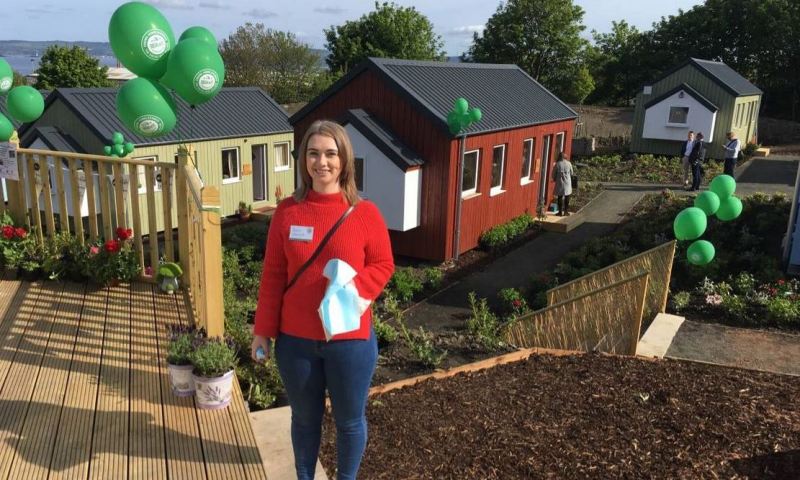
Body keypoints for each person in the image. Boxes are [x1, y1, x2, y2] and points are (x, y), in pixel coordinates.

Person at [251, 120, 394, 480]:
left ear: (344, 160)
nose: (322, 162)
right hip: (296, 342)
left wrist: (351, 291)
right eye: (313, 153)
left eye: (331, 153)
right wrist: (262, 331)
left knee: (350, 422)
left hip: (349, 341)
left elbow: (383, 264)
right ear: (304, 160)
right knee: (303, 420)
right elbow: (273, 275)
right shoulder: (287, 212)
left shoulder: (365, 213)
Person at [552, 152, 574, 216]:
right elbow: (572, 173)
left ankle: (560, 212)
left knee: (560, 197)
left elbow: (553, 174)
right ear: (564, 157)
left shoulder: (557, 164)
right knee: (567, 196)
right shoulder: (569, 163)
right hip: (567, 182)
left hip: (559, 182)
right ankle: (566, 212)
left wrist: (555, 179)